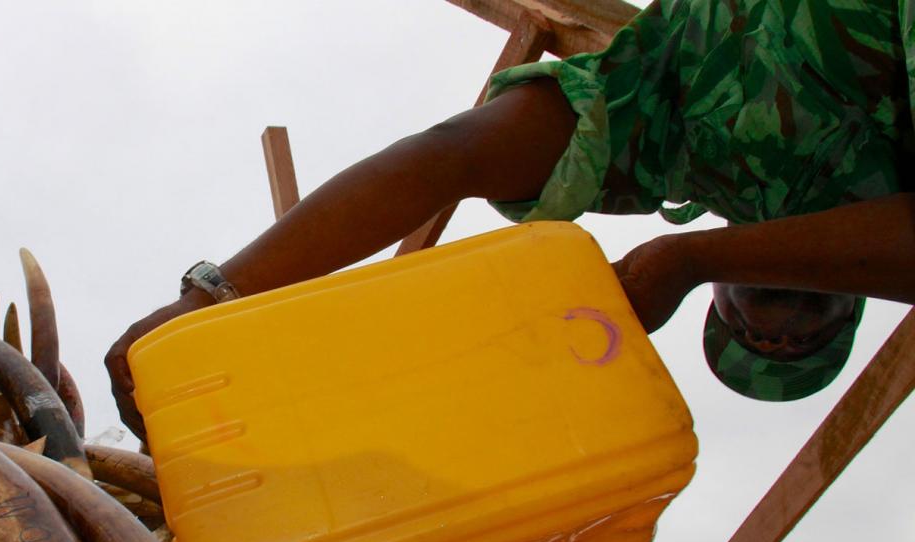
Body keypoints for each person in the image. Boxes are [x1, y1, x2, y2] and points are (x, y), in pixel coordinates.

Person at [106, 0, 915, 436]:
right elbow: (451, 157)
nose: (776, 334)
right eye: (801, 342)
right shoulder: (691, 132)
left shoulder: (682, 143)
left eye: (756, 341)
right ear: (855, 296)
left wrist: (211, 299)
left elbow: (453, 157)